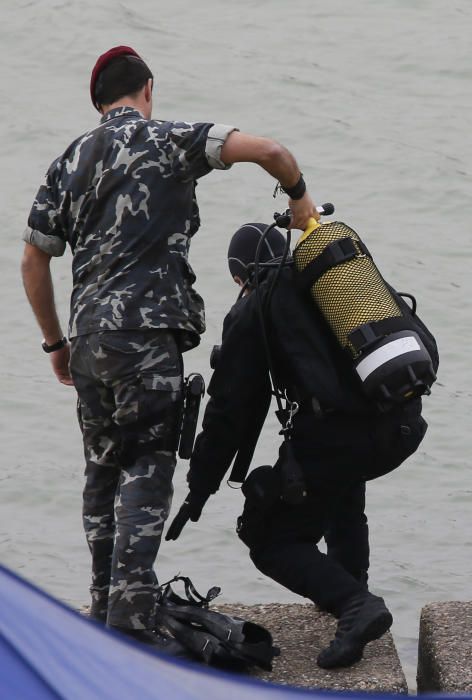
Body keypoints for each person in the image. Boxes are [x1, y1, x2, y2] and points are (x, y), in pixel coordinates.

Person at [20, 46, 319, 650]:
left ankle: (104, 612)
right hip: (149, 339)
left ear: (99, 103)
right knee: (148, 471)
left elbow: (33, 258)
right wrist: (300, 201)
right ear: (147, 90)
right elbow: (272, 152)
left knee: (101, 473)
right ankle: (130, 631)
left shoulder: (68, 161)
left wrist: (55, 342)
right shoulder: (173, 139)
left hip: (89, 343)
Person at [166, 222, 436, 668]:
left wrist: (200, 486)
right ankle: (351, 589)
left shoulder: (257, 306)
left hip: (343, 438)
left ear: (241, 275)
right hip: (400, 423)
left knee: (269, 539)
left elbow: (229, 412)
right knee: (337, 485)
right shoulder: (335, 286)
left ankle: (355, 606)